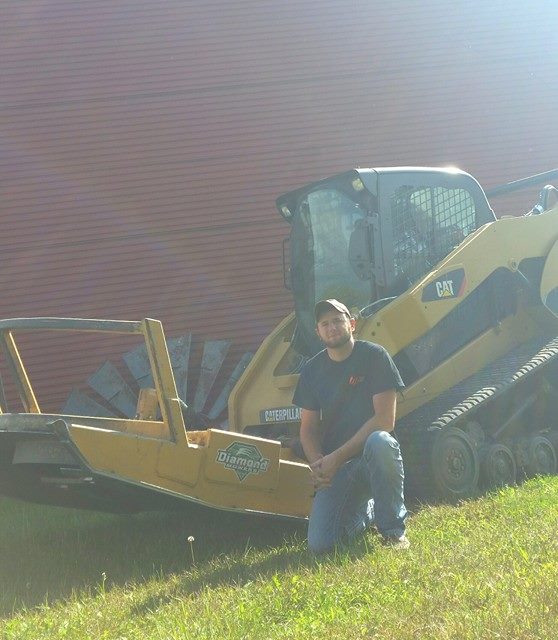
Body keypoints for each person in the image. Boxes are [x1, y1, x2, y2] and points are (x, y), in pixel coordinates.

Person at [293, 298, 408, 553]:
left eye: (337, 320)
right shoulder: (311, 371)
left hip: (374, 460)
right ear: (318, 332)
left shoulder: (375, 356)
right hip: (338, 470)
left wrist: (336, 457)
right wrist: (319, 465)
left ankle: (392, 532)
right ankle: (367, 514)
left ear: (352, 324)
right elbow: (308, 429)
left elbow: (385, 420)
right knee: (321, 546)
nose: (332, 327)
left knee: (380, 441)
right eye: (325, 323)